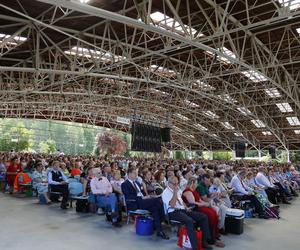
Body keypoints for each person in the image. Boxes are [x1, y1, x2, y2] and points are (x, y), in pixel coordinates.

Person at [162, 176, 213, 250]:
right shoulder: (166, 192)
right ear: (169, 183)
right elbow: (172, 205)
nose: (176, 185)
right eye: (174, 184)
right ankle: (194, 246)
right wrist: (175, 193)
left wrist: (186, 207)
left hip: (182, 210)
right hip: (173, 212)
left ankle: (204, 241)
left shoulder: (177, 189)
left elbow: (181, 201)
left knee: (203, 217)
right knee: (189, 221)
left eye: (177, 183)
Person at [121, 167, 169, 240]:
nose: (136, 175)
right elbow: (129, 196)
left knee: (155, 209)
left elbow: (141, 192)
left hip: (143, 201)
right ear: (129, 174)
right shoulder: (125, 184)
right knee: (157, 200)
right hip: (135, 203)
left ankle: (159, 231)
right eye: (134, 173)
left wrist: (147, 196)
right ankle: (164, 218)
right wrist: (142, 198)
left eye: (136, 173)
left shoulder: (136, 182)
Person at [182, 178, 225, 247]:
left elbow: (199, 200)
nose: (196, 185)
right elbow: (193, 203)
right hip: (194, 208)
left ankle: (213, 236)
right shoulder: (188, 191)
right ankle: (208, 238)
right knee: (210, 214)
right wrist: (205, 204)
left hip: (199, 206)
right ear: (192, 183)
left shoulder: (194, 190)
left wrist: (207, 204)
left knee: (213, 213)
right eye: (196, 183)